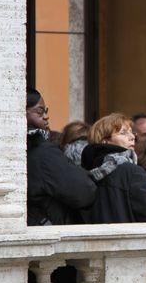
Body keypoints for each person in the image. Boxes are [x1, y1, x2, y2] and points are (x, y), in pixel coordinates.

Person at [81, 113, 146, 223]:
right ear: (105, 141)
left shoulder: (83, 171)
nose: (132, 137)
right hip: (125, 237)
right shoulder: (130, 171)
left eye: (131, 132)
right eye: (123, 133)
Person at [26, 89, 96, 226]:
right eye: (40, 112)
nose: (46, 117)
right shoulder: (43, 153)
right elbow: (84, 191)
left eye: (46, 111)